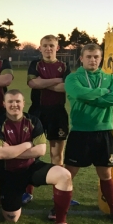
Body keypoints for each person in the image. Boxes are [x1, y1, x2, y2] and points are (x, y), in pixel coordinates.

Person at [0, 90, 77, 224]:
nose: (14, 104)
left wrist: (13, 150)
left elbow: (41, 150)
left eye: (17, 101)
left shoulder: (33, 121)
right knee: (11, 218)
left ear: (23, 103)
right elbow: (1, 154)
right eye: (10, 101)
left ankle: (61, 222)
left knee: (64, 175)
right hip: (9, 172)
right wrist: (28, 144)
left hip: (32, 167)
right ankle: (1, 197)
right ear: (4, 104)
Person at [63, 43, 113, 224]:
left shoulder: (110, 78)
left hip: (103, 132)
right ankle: (59, 208)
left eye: (96, 57)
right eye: (89, 57)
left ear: (101, 59)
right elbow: (77, 93)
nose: (92, 60)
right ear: (81, 58)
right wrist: (102, 93)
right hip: (80, 131)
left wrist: (90, 97)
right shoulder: (72, 78)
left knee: (105, 173)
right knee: (68, 173)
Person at [23, 35, 73, 205]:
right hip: (37, 112)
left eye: (51, 45)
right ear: (40, 47)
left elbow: (66, 86)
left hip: (58, 113)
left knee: (56, 154)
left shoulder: (64, 66)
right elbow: (32, 84)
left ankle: (57, 193)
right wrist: (55, 81)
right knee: (30, 153)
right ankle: (27, 192)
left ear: (57, 48)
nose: (48, 48)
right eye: (45, 45)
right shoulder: (35, 64)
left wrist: (43, 82)